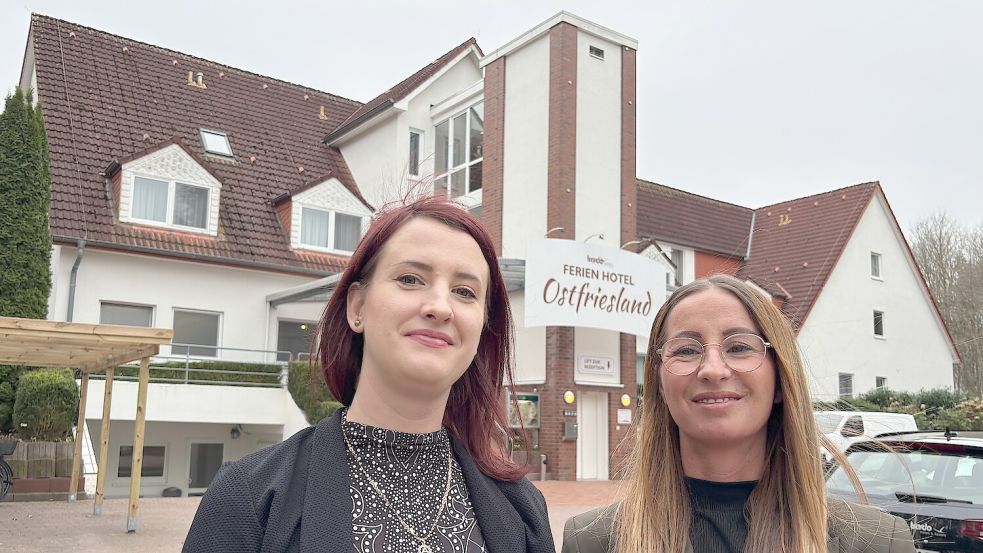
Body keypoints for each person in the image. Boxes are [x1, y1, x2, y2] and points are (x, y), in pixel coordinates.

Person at [184, 195, 554, 553]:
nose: (441, 307)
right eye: (410, 279)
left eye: (465, 291)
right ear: (358, 307)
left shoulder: (522, 509)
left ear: (482, 328)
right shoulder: (249, 497)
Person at [562, 274, 916, 553]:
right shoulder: (593, 541)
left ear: (780, 380)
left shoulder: (875, 541)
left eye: (739, 347)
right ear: (659, 386)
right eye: (686, 350)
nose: (713, 369)